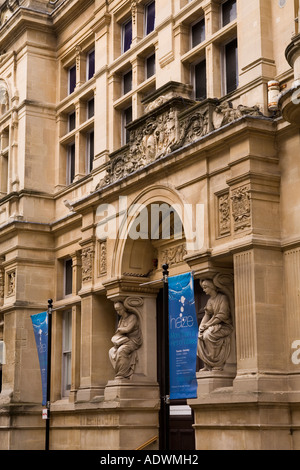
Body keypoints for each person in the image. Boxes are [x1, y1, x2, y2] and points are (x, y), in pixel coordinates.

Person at [197, 279, 233, 371]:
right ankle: (208, 364)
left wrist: (208, 325)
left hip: (225, 326)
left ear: (211, 287)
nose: (204, 290)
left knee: (208, 334)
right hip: (214, 325)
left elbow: (222, 315)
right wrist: (201, 327)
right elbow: (207, 314)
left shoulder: (222, 298)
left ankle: (216, 362)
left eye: (205, 288)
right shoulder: (209, 301)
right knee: (199, 336)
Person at [109, 301, 142, 379]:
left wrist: (120, 330)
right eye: (116, 310)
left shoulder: (132, 317)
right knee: (111, 351)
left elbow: (128, 329)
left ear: (124, 308)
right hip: (124, 340)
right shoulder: (121, 320)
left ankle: (123, 374)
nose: (118, 312)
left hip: (133, 341)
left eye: (119, 309)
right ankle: (118, 371)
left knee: (121, 350)